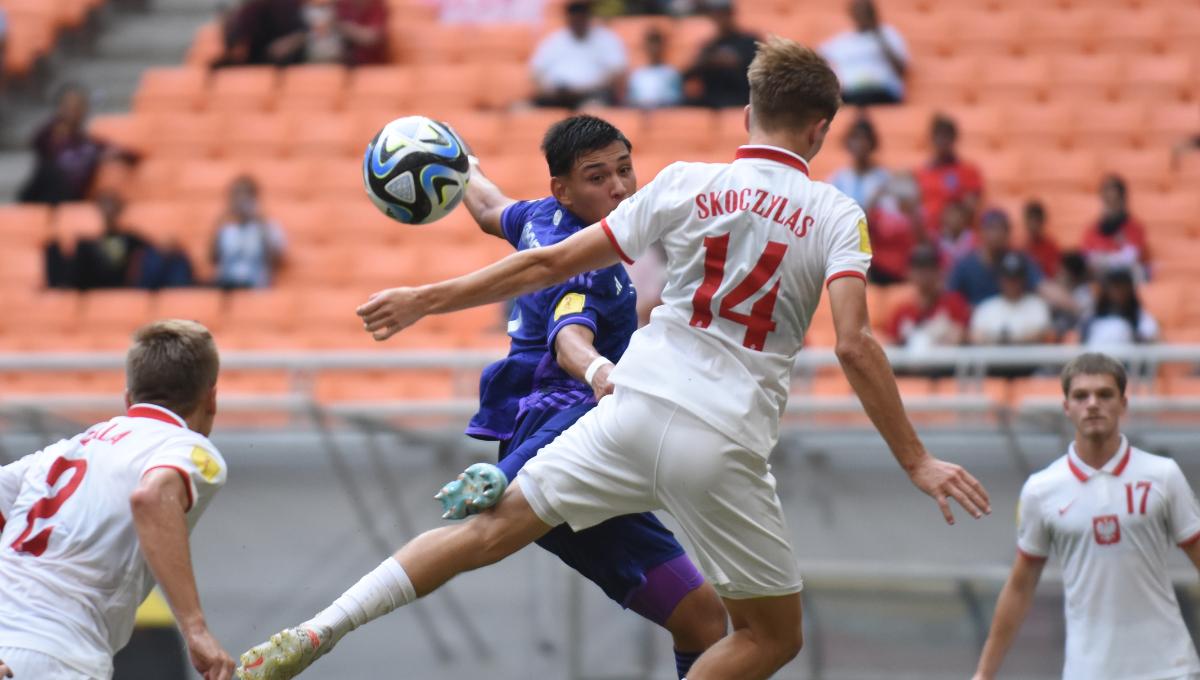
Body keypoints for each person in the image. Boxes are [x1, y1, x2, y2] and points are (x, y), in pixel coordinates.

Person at [238, 37, 989, 680]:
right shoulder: (836, 214)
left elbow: (546, 262)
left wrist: (424, 299)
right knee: (770, 637)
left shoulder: (687, 183)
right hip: (720, 438)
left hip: (628, 408)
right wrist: (916, 460)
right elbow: (856, 344)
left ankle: (321, 630)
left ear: (746, 115)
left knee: (486, 536)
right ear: (822, 129)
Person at [445, 114, 727, 679]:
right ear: (564, 189)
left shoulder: (536, 218)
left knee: (702, 620)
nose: (619, 187)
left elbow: (485, 207)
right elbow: (570, 336)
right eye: (598, 177)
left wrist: (455, 159)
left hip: (545, 426)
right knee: (706, 620)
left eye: (624, 170)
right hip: (561, 430)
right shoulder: (585, 263)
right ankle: (327, 625)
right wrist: (599, 371)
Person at [0, 320, 233, 680]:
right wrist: (195, 629)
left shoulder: (62, 452)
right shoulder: (185, 446)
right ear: (211, 398)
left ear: (128, 397)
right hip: (61, 657)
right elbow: (153, 498)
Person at [973, 353, 1200, 680]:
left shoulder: (1162, 475)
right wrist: (984, 673)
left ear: (1123, 404)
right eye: (1081, 396)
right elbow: (1020, 587)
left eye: (1104, 394)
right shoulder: (1042, 489)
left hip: (1168, 668)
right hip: (1089, 671)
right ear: (1067, 407)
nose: (1092, 404)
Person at [18, 84, 136, 205]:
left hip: (70, 197)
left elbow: (129, 154)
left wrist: (110, 155)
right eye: (68, 106)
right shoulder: (47, 137)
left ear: (85, 109)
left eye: (78, 106)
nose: (73, 111)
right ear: (60, 108)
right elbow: (37, 142)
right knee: (49, 172)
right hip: (44, 194)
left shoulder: (90, 146)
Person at [529, 0, 627, 109]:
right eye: (574, 18)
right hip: (557, 97)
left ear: (587, 17)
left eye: (581, 18)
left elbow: (617, 72)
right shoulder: (554, 40)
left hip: (592, 95)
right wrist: (549, 90)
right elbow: (536, 73)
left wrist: (586, 88)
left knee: (593, 111)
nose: (577, 22)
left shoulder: (606, 39)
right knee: (521, 110)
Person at [819, 0, 908, 106]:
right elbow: (817, 56)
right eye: (858, 11)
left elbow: (901, 68)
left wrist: (878, 35)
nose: (862, 15)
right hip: (850, 94)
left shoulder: (888, 34)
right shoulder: (843, 40)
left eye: (865, 11)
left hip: (883, 92)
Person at [947, 208, 1041, 307]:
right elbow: (950, 296)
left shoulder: (1018, 259)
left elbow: (1041, 285)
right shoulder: (965, 265)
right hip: (974, 318)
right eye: (992, 228)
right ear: (981, 231)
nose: (997, 234)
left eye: (1002, 228)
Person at [887, 244, 970, 350]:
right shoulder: (902, 312)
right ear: (909, 273)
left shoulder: (954, 303)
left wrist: (957, 335)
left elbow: (966, 337)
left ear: (938, 271)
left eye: (929, 268)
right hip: (911, 365)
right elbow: (892, 346)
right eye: (919, 268)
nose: (923, 274)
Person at [211, 175, 287, 289]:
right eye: (236, 196)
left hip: (256, 287)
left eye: (245, 196)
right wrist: (219, 222)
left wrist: (260, 221)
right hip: (227, 286)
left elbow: (276, 259)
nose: (240, 201)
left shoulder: (269, 227)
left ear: (254, 198)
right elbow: (212, 258)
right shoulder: (226, 228)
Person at [682, 0, 758, 108]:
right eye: (716, 14)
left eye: (722, 14)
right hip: (711, 100)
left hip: (741, 97)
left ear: (730, 14)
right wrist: (706, 61)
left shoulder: (748, 41)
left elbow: (758, 72)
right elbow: (687, 74)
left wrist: (735, 61)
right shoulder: (710, 45)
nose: (719, 19)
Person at [968, 252, 1053, 346]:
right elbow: (976, 337)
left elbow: (1040, 334)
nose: (1012, 284)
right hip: (992, 360)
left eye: (1016, 278)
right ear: (1000, 279)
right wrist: (1017, 338)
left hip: (1029, 360)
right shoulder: (985, 308)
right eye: (1008, 278)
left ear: (1023, 279)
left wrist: (998, 338)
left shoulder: (1037, 305)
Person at [915, 113, 983, 229]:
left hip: (957, 235)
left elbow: (970, 209)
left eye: (947, 136)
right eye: (939, 136)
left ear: (954, 139)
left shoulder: (968, 172)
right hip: (927, 236)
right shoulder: (920, 174)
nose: (943, 141)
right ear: (932, 139)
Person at [1081, 174, 1151, 280]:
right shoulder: (1091, 230)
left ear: (1123, 200)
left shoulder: (1134, 228)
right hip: (1100, 278)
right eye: (1107, 200)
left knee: (1138, 271)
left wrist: (1104, 257)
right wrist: (1113, 257)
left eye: (1115, 200)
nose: (1111, 206)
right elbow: (1088, 258)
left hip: (1125, 279)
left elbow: (1130, 258)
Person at [1081, 268, 1158, 347]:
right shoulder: (1093, 315)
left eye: (1123, 287)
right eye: (1115, 287)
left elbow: (1150, 338)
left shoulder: (1140, 316)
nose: (1119, 292)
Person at [827, 115, 889, 211]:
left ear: (872, 142)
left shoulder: (882, 178)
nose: (860, 144)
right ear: (848, 142)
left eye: (864, 139)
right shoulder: (839, 178)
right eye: (855, 138)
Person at [625, 27, 683, 109]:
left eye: (657, 44)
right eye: (651, 44)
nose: (654, 48)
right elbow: (631, 100)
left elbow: (675, 100)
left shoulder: (672, 73)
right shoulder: (637, 75)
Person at [1022, 199, 1059, 279]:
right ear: (1025, 221)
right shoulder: (1020, 246)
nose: (1033, 225)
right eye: (1030, 219)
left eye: (1037, 220)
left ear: (1043, 221)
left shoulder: (1051, 247)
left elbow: (1053, 273)